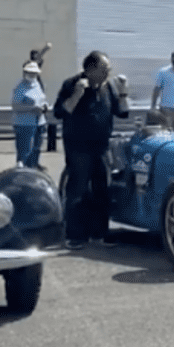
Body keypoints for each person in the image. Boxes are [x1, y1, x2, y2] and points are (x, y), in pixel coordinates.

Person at [53, 51, 130, 250]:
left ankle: (100, 234)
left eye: (109, 70)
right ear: (90, 69)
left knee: (102, 189)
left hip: (101, 146)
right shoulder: (72, 84)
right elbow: (60, 111)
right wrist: (77, 95)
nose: (107, 74)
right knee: (78, 189)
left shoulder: (109, 87)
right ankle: (75, 236)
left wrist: (123, 93)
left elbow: (122, 113)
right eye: (104, 70)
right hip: (78, 146)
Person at [10, 61, 49, 168]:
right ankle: (23, 169)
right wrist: (31, 108)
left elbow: (42, 99)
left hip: (39, 121)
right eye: (30, 73)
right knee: (25, 149)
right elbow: (15, 106)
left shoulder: (37, 85)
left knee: (36, 147)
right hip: (24, 123)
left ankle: (34, 166)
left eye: (34, 73)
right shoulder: (20, 87)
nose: (32, 75)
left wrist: (44, 106)